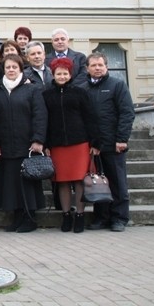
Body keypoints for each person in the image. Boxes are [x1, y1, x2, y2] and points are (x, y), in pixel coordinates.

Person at [0, 54, 48, 233]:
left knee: (27, 183)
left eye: (14, 67)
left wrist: (38, 139)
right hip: (7, 145)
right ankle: (17, 218)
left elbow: (40, 115)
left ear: (21, 69)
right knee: (11, 183)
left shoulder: (32, 89)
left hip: (27, 145)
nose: (11, 70)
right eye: (8, 67)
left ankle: (30, 218)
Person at [43, 57, 96, 234]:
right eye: (59, 73)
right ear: (53, 74)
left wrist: (94, 142)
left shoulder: (80, 93)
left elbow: (90, 118)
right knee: (63, 181)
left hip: (79, 143)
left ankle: (80, 214)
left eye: (65, 73)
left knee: (80, 180)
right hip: (57, 144)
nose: (62, 76)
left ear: (70, 74)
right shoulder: (46, 94)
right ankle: (66, 214)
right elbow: (45, 121)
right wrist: (46, 144)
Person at [82, 52, 134, 232]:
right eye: (94, 65)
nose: (97, 68)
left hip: (114, 144)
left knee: (117, 183)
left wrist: (122, 139)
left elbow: (127, 113)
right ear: (87, 68)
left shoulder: (117, 85)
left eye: (100, 65)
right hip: (94, 146)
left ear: (106, 67)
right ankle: (101, 217)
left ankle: (119, 218)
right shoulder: (84, 88)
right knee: (98, 184)